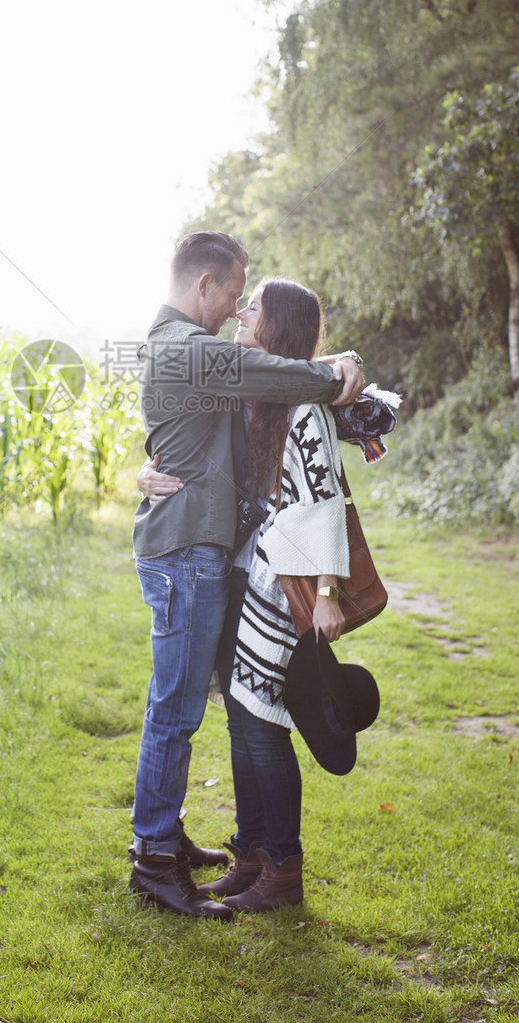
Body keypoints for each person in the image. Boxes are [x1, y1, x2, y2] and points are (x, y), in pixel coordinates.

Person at [129, 234, 365, 920]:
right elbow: (272, 372)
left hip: (213, 558)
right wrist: (335, 370)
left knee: (205, 710)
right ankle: (152, 855)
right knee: (176, 711)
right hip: (187, 555)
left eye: (249, 304)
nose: (237, 311)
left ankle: (171, 840)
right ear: (206, 284)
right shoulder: (190, 348)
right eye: (235, 295)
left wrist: (148, 466)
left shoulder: (182, 349)